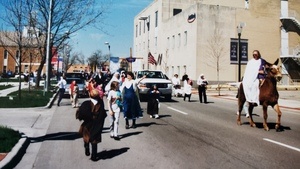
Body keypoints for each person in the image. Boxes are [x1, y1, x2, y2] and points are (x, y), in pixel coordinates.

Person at [76, 89, 107, 161]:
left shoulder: (86, 104)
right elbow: (103, 114)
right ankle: (94, 156)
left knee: (86, 137)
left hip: (87, 124)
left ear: (90, 95)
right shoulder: (100, 103)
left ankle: (86, 147)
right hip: (96, 124)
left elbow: (81, 114)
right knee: (94, 140)